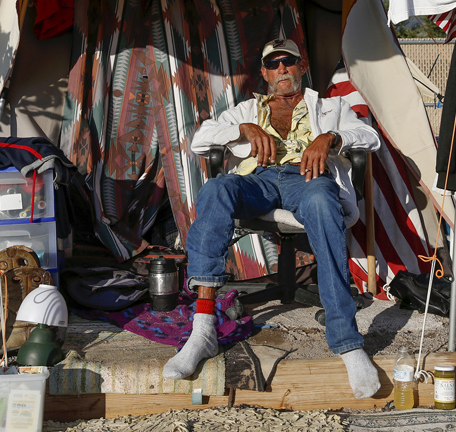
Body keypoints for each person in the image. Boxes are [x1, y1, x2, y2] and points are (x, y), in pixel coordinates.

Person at [162, 38, 382, 400]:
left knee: (323, 204)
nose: (282, 68)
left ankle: (347, 343)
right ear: (264, 72)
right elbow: (201, 140)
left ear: (301, 67)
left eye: (289, 61)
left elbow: (369, 137)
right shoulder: (247, 109)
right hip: (258, 180)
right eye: (274, 63)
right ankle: (203, 330)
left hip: (308, 180)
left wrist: (331, 137)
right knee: (217, 188)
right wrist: (242, 130)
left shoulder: (329, 106)